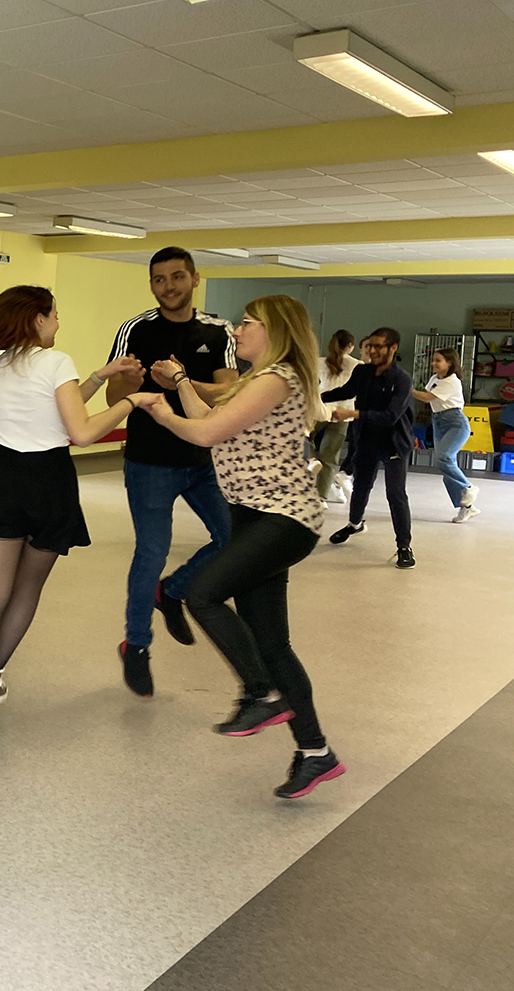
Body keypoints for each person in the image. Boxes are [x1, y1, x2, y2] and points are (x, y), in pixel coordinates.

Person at [145, 297, 345, 799]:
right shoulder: (257, 380)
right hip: (256, 518)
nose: (236, 329)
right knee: (273, 643)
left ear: (273, 329)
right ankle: (315, 752)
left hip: (283, 519)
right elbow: (216, 425)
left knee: (204, 593)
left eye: (247, 323)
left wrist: (163, 413)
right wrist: (181, 386)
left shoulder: (277, 378)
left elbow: (206, 430)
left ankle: (262, 692)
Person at [0, 287, 149, 737]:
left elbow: (53, 407)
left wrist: (100, 374)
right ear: (36, 319)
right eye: (54, 315)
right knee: (26, 590)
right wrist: (131, 402)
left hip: (6, 479)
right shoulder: (56, 362)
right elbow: (82, 432)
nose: (58, 323)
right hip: (50, 484)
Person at [105, 246, 239, 698]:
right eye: (159, 279)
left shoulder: (217, 331)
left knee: (233, 537)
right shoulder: (135, 329)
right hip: (150, 462)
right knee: (151, 552)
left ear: (195, 279)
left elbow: (226, 393)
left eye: (177, 277)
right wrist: (129, 378)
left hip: (205, 460)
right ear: (151, 284)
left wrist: (180, 380)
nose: (169, 287)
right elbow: (112, 402)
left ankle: (174, 591)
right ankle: (137, 645)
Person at [321, 327, 415, 568]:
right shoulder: (362, 372)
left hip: (394, 443)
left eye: (378, 346)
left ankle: (404, 546)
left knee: (395, 493)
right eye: (370, 346)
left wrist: (352, 413)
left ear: (393, 348)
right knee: (361, 485)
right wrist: (315, 397)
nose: (372, 350)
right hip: (366, 441)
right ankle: (354, 525)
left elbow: (391, 416)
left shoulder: (401, 379)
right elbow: (345, 391)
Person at [413, 347, 478, 522]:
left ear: (449, 363)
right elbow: (426, 394)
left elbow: (427, 397)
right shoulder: (435, 378)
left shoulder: (452, 381)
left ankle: (468, 488)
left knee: (444, 458)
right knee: (444, 465)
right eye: (433, 360)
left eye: (438, 360)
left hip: (455, 423)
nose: (433, 363)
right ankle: (467, 508)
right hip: (438, 422)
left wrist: (405, 389)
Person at [313, 329, 359, 503]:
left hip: (320, 408)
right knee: (330, 457)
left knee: (303, 438)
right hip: (343, 413)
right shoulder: (357, 365)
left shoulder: (318, 362)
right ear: (350, 346)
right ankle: (321, 497)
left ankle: (310, 459)